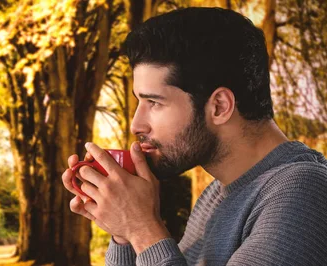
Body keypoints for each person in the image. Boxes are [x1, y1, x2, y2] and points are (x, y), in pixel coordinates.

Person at [61, 7, 327, 266]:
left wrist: (142, 229)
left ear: (219, 106)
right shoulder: (215, 195)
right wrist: (123, 233)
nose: (136, 124)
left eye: (154, 102)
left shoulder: (305, 193)